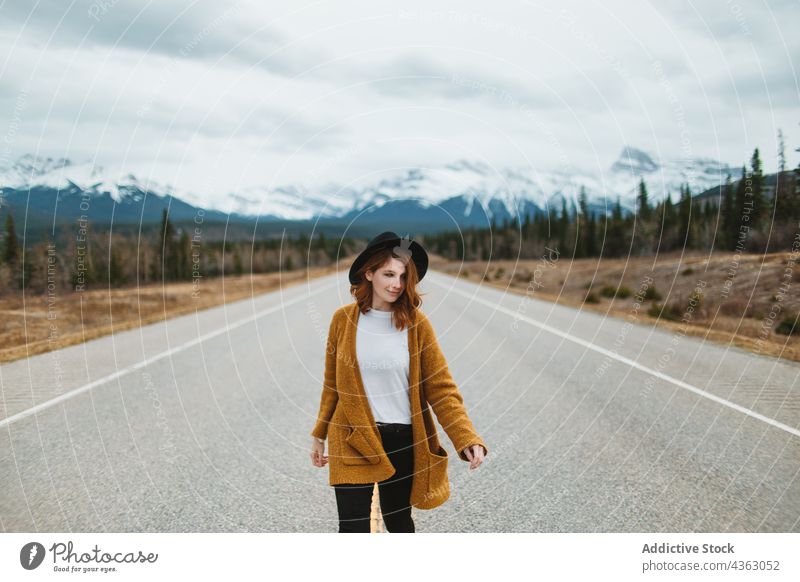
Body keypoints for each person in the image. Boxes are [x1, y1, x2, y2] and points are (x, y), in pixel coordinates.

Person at [309, 231, 488, 533]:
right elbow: (332, 383)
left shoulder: (417, 325)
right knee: (351, 528)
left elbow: (441, 388)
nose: (396, 284)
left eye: (404, 277)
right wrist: (319, 432)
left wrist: (466, 437)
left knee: (398, 522)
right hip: (352, 436)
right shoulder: (343, 320)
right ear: (369, 273)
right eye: (389, 274)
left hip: (403, 438)